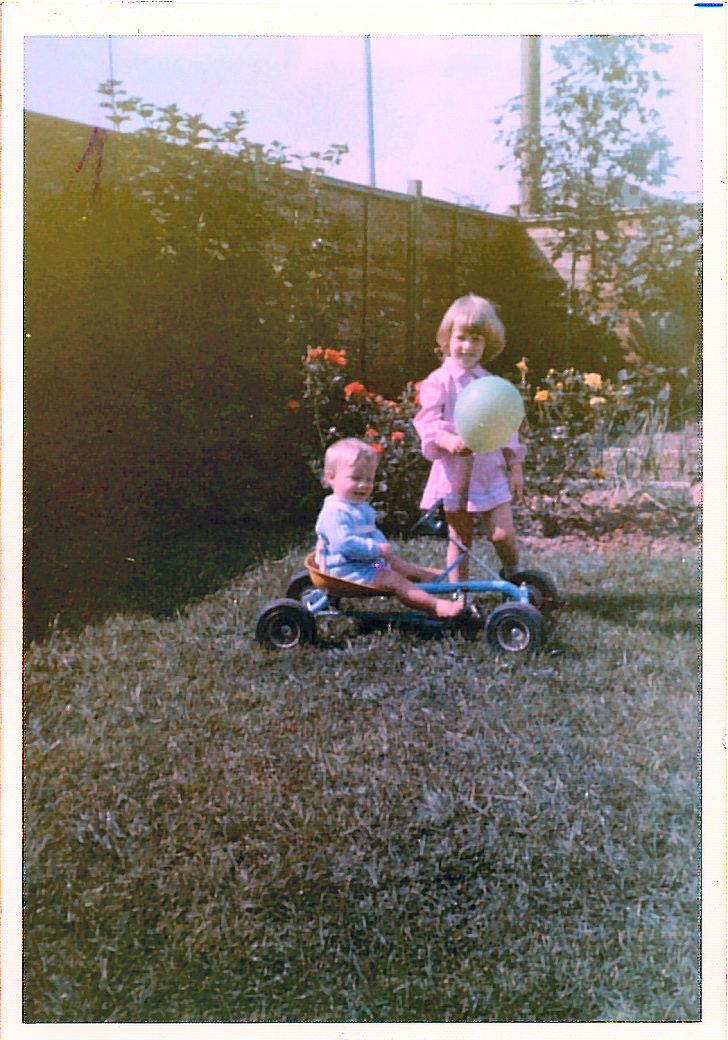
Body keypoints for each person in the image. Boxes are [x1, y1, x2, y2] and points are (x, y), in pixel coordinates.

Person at [414, 293, 525, 582]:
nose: (467, 346)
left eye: (476, 339)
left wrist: (515, 466)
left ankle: (515, 574)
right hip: (454, 472)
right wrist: (449, 441)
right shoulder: (438, 381)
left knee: (501, 534)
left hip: (489, 469)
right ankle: (459, 594)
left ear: (487, 343)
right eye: (461, 337)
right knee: (460, 537)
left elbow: (507, 426)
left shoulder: (489, 383)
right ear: (447, 339)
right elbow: (427, 421)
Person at [314, 438, 468, 620]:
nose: (363, 485)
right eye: (355, 478)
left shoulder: (358, 506)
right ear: (331, 477)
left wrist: (381, 549)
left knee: (391, 564)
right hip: (344, 571)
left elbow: (371, 531)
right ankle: (436, 607)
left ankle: (418, 574)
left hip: (364, 564)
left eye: (369, 479)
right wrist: (376, 549)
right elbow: (343, 544)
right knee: (393, 579)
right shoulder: (335, 512)